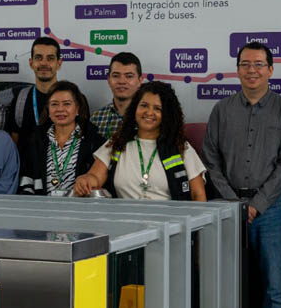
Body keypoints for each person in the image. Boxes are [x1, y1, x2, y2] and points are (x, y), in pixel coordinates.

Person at [201, 42, 281, 308]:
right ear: (237, 69)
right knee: (224, 289)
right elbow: (209, 159)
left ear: (271, 70)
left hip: (271, 211)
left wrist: (257, 203)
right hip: (227, 210)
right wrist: (232, 202)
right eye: (245, 64)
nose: (252, 70)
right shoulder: (222, 110)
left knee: (275, 290)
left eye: (259, 64)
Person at [74, 81, 207, 201]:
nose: (149, 112)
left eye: (157, 108)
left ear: (167, 114)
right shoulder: (117, 143)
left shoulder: (181, 147)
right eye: (144, 105)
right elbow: (95, 177)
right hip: (124, 223)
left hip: (170, 224)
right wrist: (85, 180)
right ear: (134, 109)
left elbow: (198, 195)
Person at [19, 81, 104, 195]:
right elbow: (26, 179)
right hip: (41, 209)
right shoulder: (36, 140)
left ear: (77, 109)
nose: (60, 109)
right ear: (48, 109)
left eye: (67, 104)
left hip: (81, 208)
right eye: (54, 104)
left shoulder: (94, 142)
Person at [11, 36, 62, 145]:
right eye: (39, 57)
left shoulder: (73, 99)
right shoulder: (20, 99)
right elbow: (14, 140)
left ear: (59, 63)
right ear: (31, 63)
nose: (44, 63)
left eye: (50, 58)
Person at [90, 51, 143, 140]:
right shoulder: (96, 118)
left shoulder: (148, 117)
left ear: (140, 80)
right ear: (108, 79)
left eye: (129, 76)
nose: (122, 81)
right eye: (116, 76)